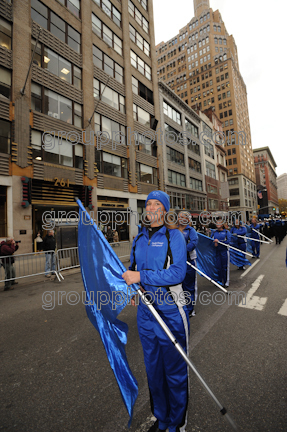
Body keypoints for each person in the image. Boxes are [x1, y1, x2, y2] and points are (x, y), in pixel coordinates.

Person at [122, 191, 189, 432]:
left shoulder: (174, 237)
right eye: (148, 204)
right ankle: (161, 419)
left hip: (171, 309)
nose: (151, 208)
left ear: (165, 210)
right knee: (154, 370)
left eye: (156, 204)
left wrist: (141, 276)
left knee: (174, 371)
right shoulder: (139, 237)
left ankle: (176, 424)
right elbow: (132, 269)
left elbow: (177, 273)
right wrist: (134, 287)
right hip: (145, 312)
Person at [178, 211, 198, 318]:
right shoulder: (174, 229)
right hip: (177, 263)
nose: (180, 218)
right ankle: (181, 307)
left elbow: (193, 242)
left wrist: (183, 250)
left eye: (182, 217)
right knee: (178, 286)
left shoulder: (191, 230)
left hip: (188, 262)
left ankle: (190, 309)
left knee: (189, 286)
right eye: (179, 217)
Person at [211, 220, 231, 288]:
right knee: (218, 267)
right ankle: (219, 281)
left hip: (224, 251)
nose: (218, 224)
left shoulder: (226, 232)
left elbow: (228, 241)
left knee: (225, 267)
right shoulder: (214, 232)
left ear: (222, 224)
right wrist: (214, 244)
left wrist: (219, 242)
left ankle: (226, 282)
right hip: (217, 252)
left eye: (219, 223)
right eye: (217, 223)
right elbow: (210, 241)